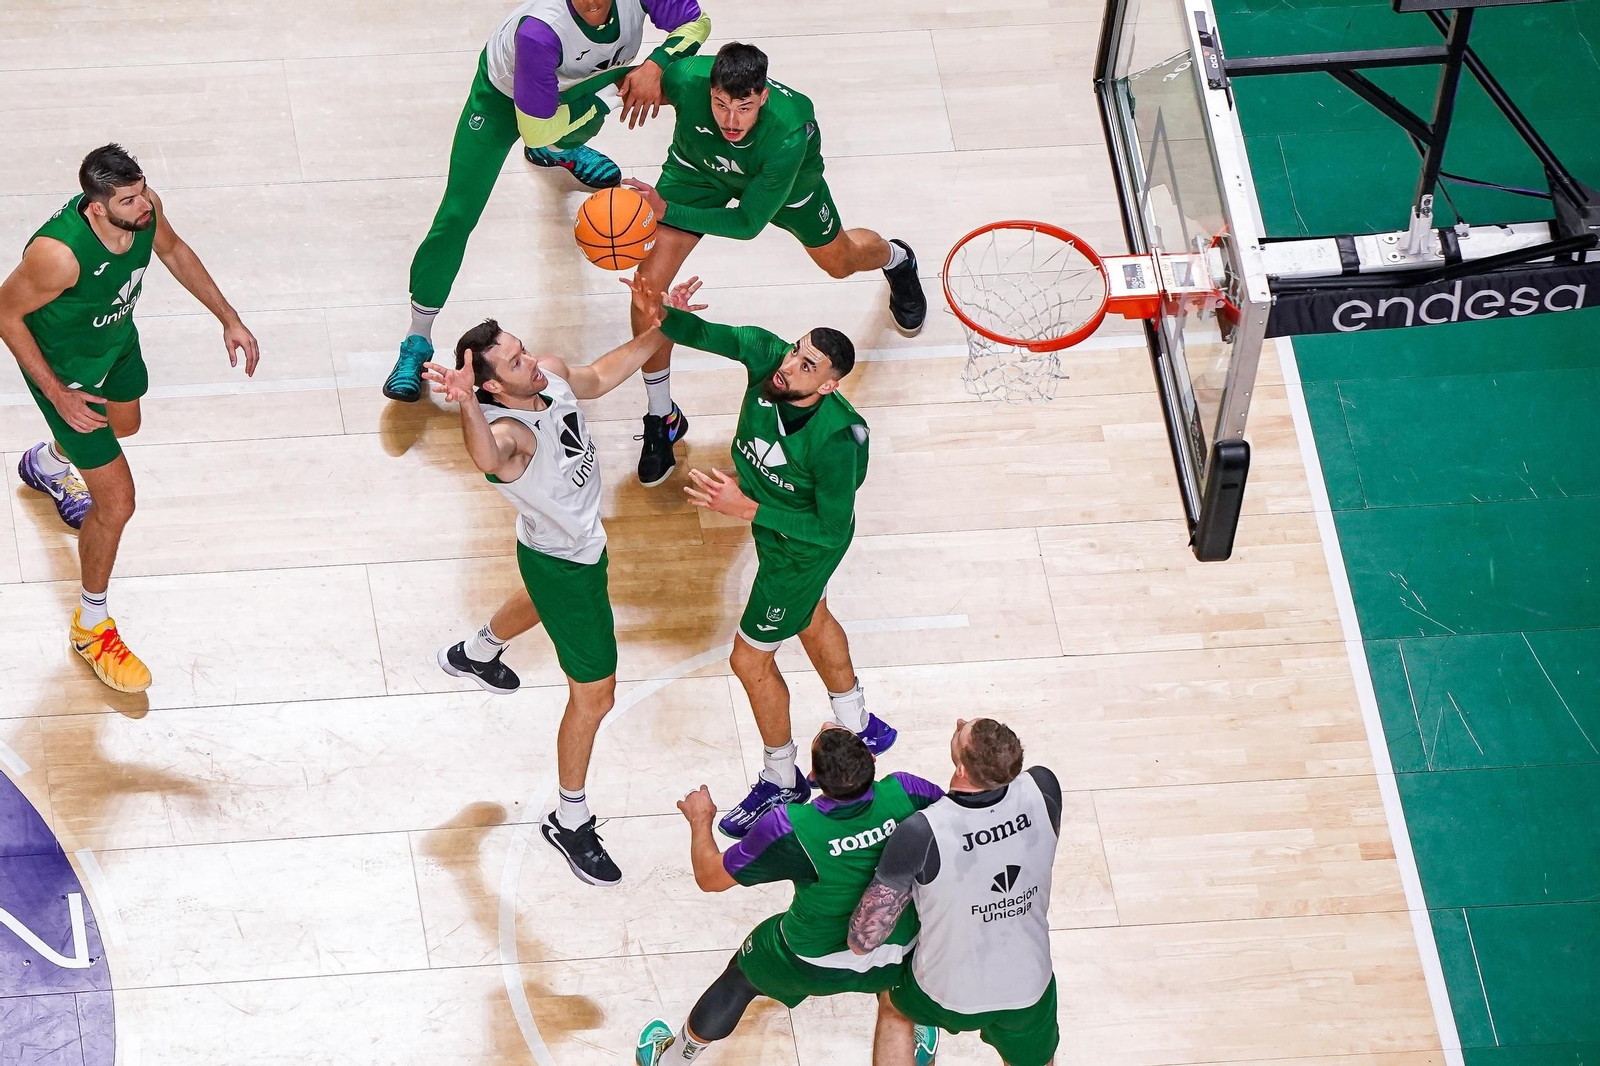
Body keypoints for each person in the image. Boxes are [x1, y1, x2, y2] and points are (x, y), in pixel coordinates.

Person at [419, 275, 698, 885]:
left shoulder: (546, 376)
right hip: (565, 564)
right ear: (492, 386)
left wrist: (663, 327)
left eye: (523, 349)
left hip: (563, 549)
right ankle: (569, 819)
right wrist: (465, 403)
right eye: (514, 362)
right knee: (595, 695)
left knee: (543, 603)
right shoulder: (509, 433)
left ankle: (475, 652)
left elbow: (599, 375)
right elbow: (487, 458)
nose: (530, 361)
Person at [630, 281, 897, 839]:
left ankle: (783, 778)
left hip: (801, 551)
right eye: (795, 352)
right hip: (776, 526)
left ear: (828, 386)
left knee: (749, 661)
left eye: (806, 365)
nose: (788, 366)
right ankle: (857, 719)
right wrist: (665, 312)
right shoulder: (767, 358)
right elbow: (702, 333)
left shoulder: (838, 440)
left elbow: (829, 528)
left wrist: (748, 506)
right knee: (812, 617)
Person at [0, 144, 259, 693]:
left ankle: (48, 462)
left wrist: (229, 319)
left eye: (142, 191)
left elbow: (176, 251)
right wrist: (58, 395)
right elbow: (5, 314)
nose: (144, 206)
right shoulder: (58, 256)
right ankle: (91, 625)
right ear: (95, 208)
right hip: (65, 373)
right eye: (128, 199)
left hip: (114, 346)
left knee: (129, 424)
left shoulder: (144, 211)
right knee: (116, 502)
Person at [621, 41, 928, 485]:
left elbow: (747, 223)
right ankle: (662, 415)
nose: (730, 120)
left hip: (781, 187)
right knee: (647, 290)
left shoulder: (789, 129)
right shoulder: (687, 78)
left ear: (762, 97)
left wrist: (666, 211)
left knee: (840, 261)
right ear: (707, 89)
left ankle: (897, 259)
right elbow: (624, 84)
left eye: (743, 108)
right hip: (699, 171)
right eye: (720, 104)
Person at [380, 0, 711, 402]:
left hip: (569, 91)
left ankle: (560, 147)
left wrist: (656, 65)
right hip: (502, 97)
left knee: (628, 90)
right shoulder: (538, 32)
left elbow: (697, 22)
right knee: (457, 214)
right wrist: (620, 87)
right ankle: (417, 339)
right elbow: (535, 130)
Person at [635, 724, 942, 1066]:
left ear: (812, 777)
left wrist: (700, 820)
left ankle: (673, 1059)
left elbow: (710, 878)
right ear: (871, 758)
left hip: (811, 960)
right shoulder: (909, 790)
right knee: (898, 993)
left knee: (740, 978)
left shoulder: (789, 828)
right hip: (900, 948)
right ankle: (908, 1040)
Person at [849, 719, 1063, 1066]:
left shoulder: (922, 830)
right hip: (1027, 986)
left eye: (961, 730)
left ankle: (921, 1036)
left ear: (961, 769)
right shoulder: (1044, 788)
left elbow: (864, 939)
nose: (960, 722)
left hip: (943, 990)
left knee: (893, 1007)